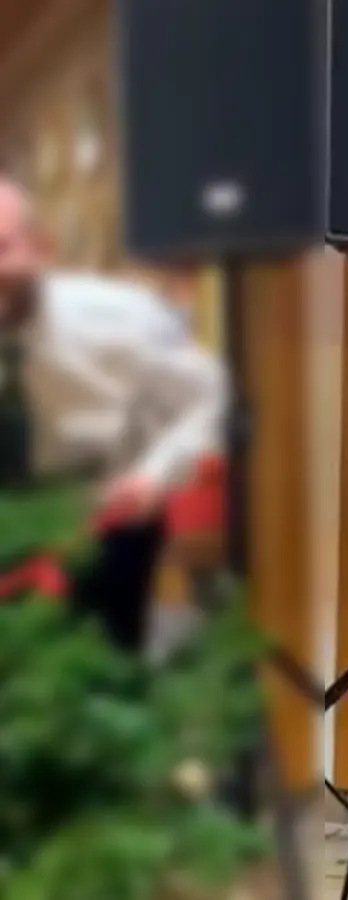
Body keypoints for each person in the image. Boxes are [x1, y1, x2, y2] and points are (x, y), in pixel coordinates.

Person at [0, 176, 225, 653]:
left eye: (2, 249)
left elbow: (207, 395)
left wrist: (153, 476)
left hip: (104, 524)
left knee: (97, 679)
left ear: (41, 248)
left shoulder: (121, 320)